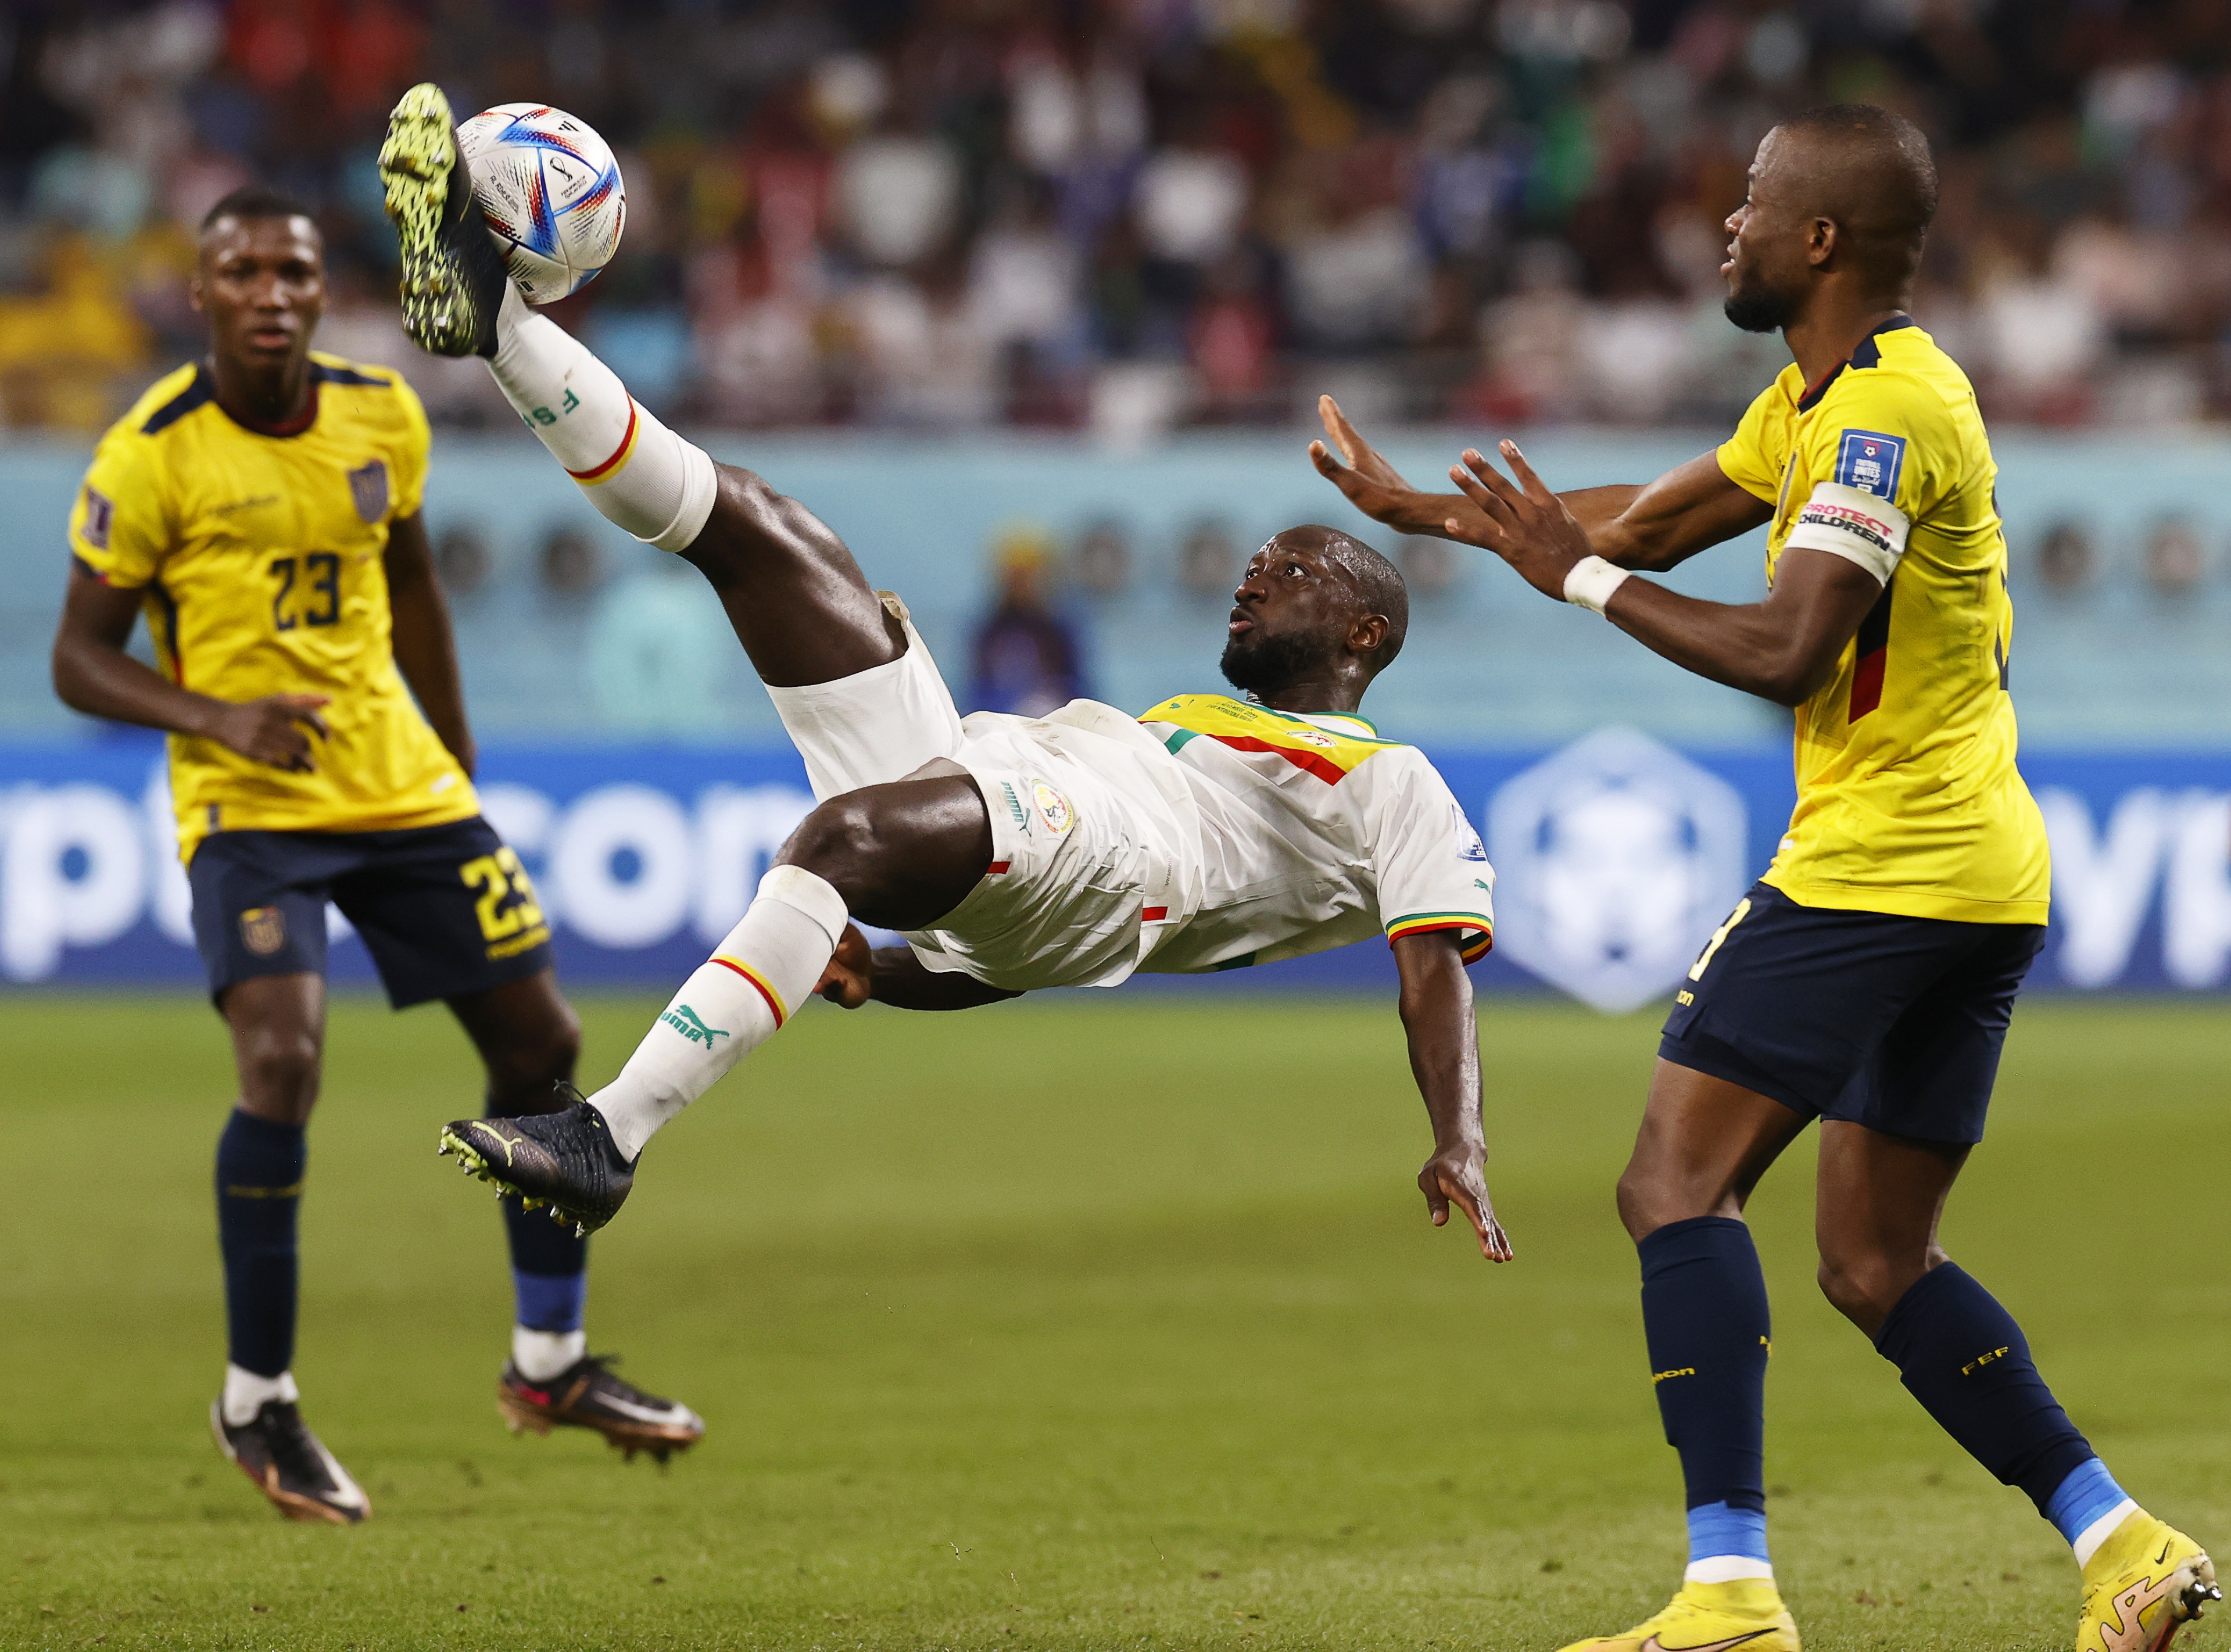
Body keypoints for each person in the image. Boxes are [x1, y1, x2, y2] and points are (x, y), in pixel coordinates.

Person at [1310, 105, 2216, 1652]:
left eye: (1749, 203)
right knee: (1872, 1260)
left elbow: (1786, 640)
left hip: (1884, 867)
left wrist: (1580, 583)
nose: (1722, 224)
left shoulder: (1885, 420)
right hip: (1975, 876)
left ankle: (1728, 1594)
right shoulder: (1814, 401)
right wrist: (1433, 518)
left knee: (1671, 1182)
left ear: (1818, 242)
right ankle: (2121, 1544)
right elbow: (1641, 521)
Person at [373, 82, 1512, 1271]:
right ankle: (490, 317)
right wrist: (899, 973)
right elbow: (1020, 940)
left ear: (1365, 635)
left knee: (835, 840)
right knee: (761, 525)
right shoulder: (1198, 731)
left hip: (1118, 852)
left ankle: (608, 1130)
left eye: (1290, 573)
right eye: (1259, 561)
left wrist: (1459, 1134)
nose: (1251, 578)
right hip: (1009, 777)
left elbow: (1428, 962)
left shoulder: (1396, 782)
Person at [49, 185, 703, 1525]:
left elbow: (410, 588)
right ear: (203, 296)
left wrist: (456, 770)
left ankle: (551, 1365)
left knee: (540, 1049)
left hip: (401, 792)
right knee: (283, 1062)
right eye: (245, 274)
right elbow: (78, 660)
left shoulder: (379, 411)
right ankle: (258, 1399)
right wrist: (214, 712)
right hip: (250, 801)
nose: (275, 294)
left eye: (294, 271)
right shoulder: (148, 455)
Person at [966, 527, 1088, 717]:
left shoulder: (1058, 632)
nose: (1023, 584)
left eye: (1029, 575)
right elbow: (976, 692)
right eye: (1015, 576)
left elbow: (1080, 694)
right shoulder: (990, 633)